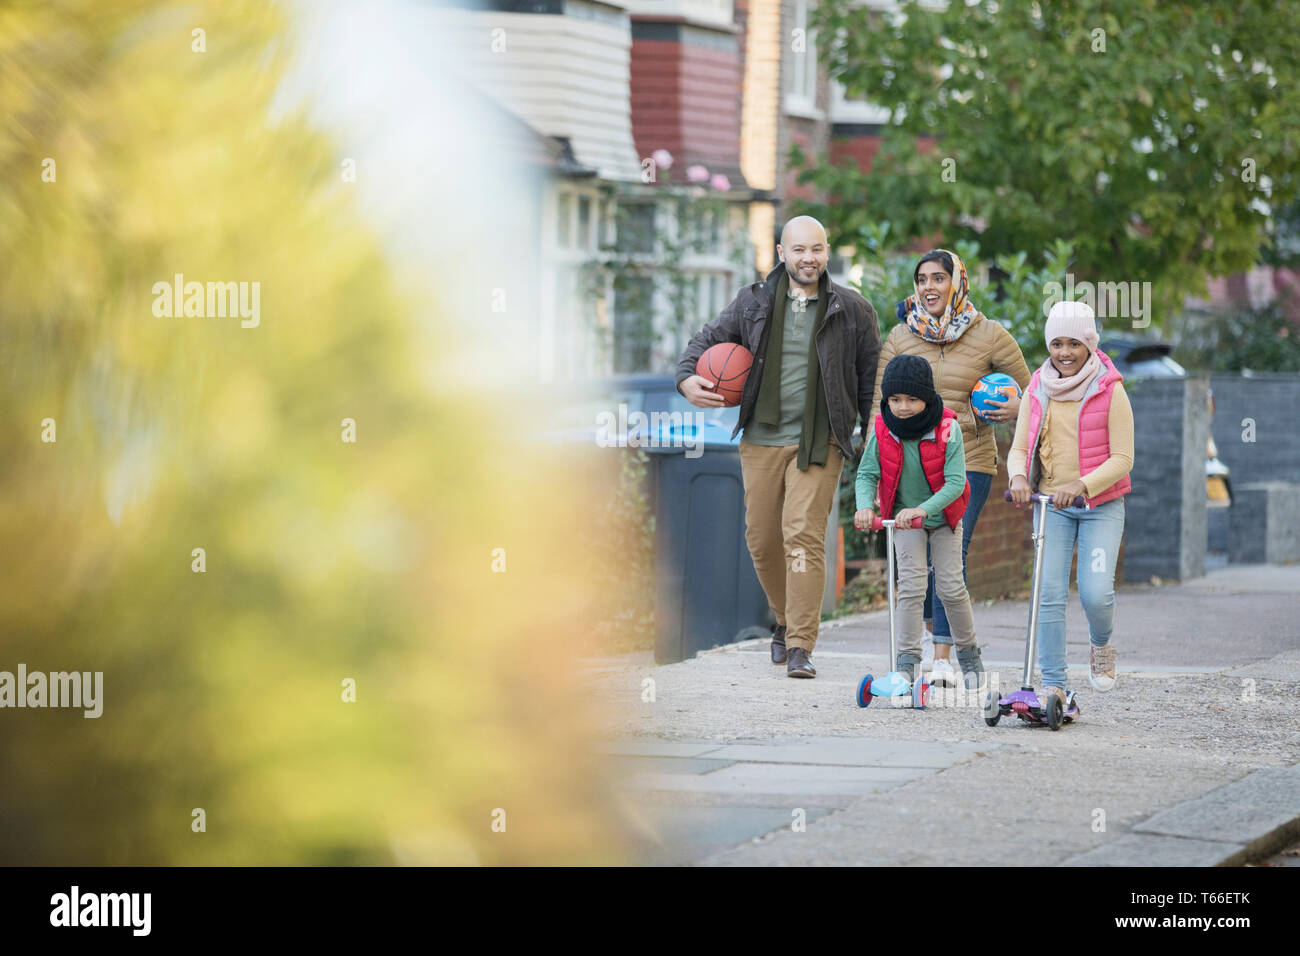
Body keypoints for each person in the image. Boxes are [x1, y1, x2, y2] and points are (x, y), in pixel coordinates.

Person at [676, 216, 881, 678]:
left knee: (802, 534)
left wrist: (872, 443)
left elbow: (871, 382)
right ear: (781, 252)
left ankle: (801, 647)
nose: (808, 258)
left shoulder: (852, 309)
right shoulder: (753, 302)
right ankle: (786, 622)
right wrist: (686, 377)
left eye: (817, 249)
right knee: (762, 541)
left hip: (820, 439)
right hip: (761, 437)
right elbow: (707, 340)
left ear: (827, 252)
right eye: (799, 250)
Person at [872, 249, 1029, 687]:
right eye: (922, 279)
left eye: (939, 278)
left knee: (951, 558)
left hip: (969, 461)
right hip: (908, 466)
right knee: (915, 562)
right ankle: (926, 638)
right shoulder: (901, 338)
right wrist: (873, 462)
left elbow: (1033, 394)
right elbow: (877, 408)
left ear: (957, 282)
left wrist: (1016, 406)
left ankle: (942, 657)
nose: (929, 287)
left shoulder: (990, 335)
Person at [1007, 301, 1134, 703]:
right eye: (1057, 343)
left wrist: (1082, 484)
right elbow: (1018, 447)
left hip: (1100, 507)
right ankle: (1055, 683)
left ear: (1089, 344)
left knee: (1096, 592)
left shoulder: (1110, 390)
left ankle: (1101, 645)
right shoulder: (1037, 388)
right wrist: (1018, 477)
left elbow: (1123, 459)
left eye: (1074, 344)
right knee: (1048, 593)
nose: (1064, 352)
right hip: (1053, 508)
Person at [854, 355, 983, 688]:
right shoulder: (882, 428)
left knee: (951, 588)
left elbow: (956, 483)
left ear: (927, 396)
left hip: (943, 517)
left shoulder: (947, 428)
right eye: (895, 399)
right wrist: (865, 505)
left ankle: (970, 658)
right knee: (910, 589)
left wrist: (924, 509)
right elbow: (867, 473)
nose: (903, 407)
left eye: (912, 399)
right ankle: (907, 666)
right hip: (903, 520)